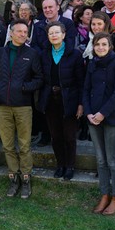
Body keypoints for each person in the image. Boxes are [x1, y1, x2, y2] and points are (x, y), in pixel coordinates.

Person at [0, 20, 43, 199]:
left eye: (25, 31)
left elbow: (39, 78)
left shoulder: (32, 54)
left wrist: (24, 88)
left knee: (25, 145)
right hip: (3, 106)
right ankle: (13, 178)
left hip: (23, 106)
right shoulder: (0, 53)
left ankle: (26, 179)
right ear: (11, 33)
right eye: (19, 31)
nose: (22, 34)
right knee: (8, 145)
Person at [83, 33, 115, 215]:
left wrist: (102, 113)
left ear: (110, 46)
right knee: (100, 160)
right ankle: (104, 195)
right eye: (97, 45)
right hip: (93, 117)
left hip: (112, 117)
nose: (100, 47)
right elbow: (86, 89)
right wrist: (88, 112)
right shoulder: (92, 64)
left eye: (104, 44)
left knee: (112, 160)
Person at [36, 22, 85, 180]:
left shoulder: (75, 54)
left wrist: (80, 104)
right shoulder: (44, 54)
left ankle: (70, 166)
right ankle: (60, 165)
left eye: (57, 32)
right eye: (51, 33)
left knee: (69, 136)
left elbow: (81, 81)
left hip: (69, 100)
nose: (54, 35)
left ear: (64, 34)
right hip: (50, 100)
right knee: (56, 136)